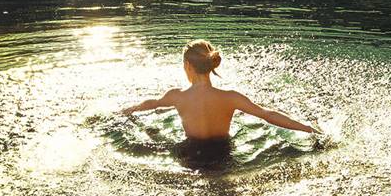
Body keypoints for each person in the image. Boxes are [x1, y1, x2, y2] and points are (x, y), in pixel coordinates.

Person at [121, 40, 316, 140]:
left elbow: (152, 103)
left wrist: (131, 109)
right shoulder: (230, 98)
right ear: (211, 65)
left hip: (190, 156)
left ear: (188, 65)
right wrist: (308, 129)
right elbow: (267, 114)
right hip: (223, 154)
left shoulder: (177, 96)